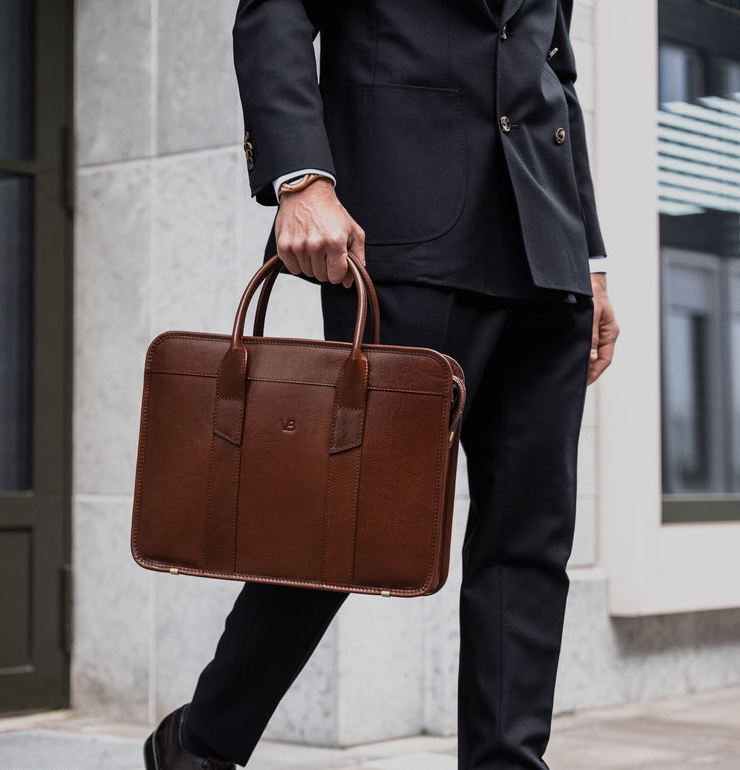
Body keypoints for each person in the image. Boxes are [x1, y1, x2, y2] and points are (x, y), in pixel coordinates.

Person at [144, 0, 620, 768]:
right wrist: (301, 176)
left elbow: (553, 71)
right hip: (408, 238)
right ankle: (200, 746)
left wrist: (592, 262)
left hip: (547, 253)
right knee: (344, 527)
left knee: (530, 544)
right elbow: (278, 9)